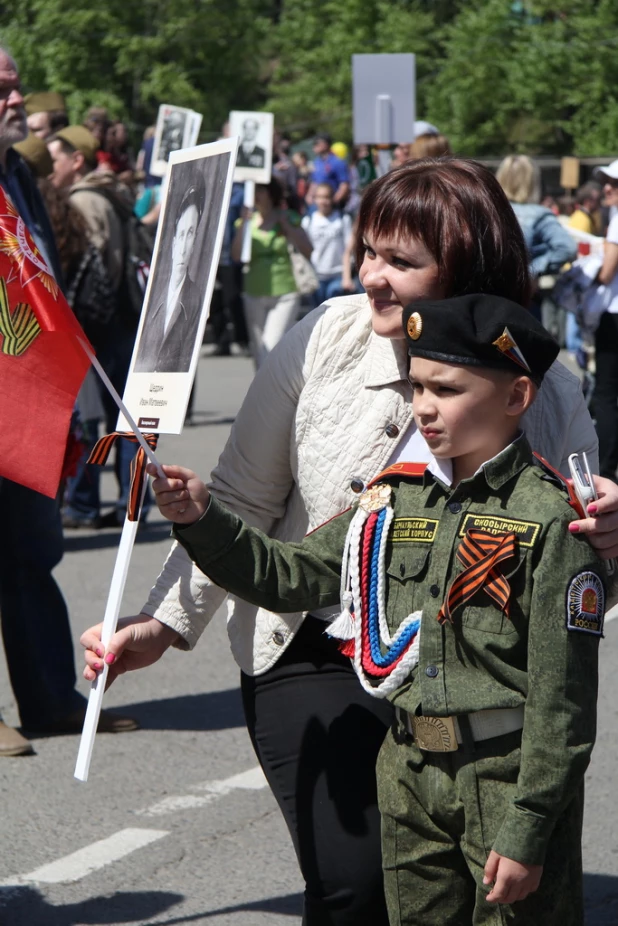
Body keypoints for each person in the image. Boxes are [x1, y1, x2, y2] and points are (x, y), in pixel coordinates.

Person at [82, 159, 618, 926]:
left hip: (476, 676)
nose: (371, 275)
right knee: (357, 884)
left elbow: (573, 570)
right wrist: (162, 624)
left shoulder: (547, 383)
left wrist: (610, 535)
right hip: (311, 641)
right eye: (367, 250)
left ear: (469, 266)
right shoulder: (323, 337)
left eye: (400, 261)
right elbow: (244, 509)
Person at [0, 48, 136, 756]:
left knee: (31, 548)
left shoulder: (18, 169)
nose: (17, 101)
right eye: (1, 89)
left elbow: (40, 270)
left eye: (16, 87)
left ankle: (50, 699)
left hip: (21, 388)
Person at [47, 124, 149, 528]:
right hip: (123, 315)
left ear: (76, 161)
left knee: (91, 416)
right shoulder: (114, 193)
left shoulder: (84, 199)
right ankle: (131, 500)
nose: (50, 166)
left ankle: (86, 504)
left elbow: (88, 264)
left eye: (55, 158)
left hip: (97, 320)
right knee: (123, 416)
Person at [231, 176, 312, 368]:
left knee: (271, 345)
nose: (256, 195)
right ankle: (262, 395)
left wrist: (287, 227)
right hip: (254, 292)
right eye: (254, 190)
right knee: (259, 350)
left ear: (271, 193)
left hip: (286, 292)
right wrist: (244, 224)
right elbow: (235, 256)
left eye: (261, 190)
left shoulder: (288, 217)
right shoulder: (246, 222)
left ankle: (271, 393)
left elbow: (308, 249)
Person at [134, 179, 205, 373]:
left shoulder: (195, 299)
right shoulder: (153, 291)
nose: (183, 248)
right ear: (173, 242)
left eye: (190, 234)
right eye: (181, 234)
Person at [495, 155, 577, 320]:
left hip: (485, 298)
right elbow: (567, 248)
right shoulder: (538, 214)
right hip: (523, 300)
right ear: (533, 182)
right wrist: (533, 269)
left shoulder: (486, 210)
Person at [588, 160, 618, 481]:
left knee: (607, 395)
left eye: (614, 183)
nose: (607, 188)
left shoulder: (617, 219)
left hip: (614, 315)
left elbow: (607, 271)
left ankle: (606, 471)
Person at [302, 183, 354, 307]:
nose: (323, 201)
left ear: (332, 198)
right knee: (316, 314)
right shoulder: (308, 221)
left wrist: (346, 276)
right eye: (319, 197)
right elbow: (303, 249)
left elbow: (349, 249)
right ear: (314, 199)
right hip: (316, 275)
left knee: (333, 311)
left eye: (326, 197)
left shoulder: (342, 219)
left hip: (337, 274)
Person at [306, 133, 349, 209]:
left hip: (333, 207)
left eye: (316, 144)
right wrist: (309, 195)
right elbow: (315, 182)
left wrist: (334, 201)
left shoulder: (337, 162)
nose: (314, 147)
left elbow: (344, 185)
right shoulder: (317, 162)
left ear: (325, 144)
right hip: (318, 205)